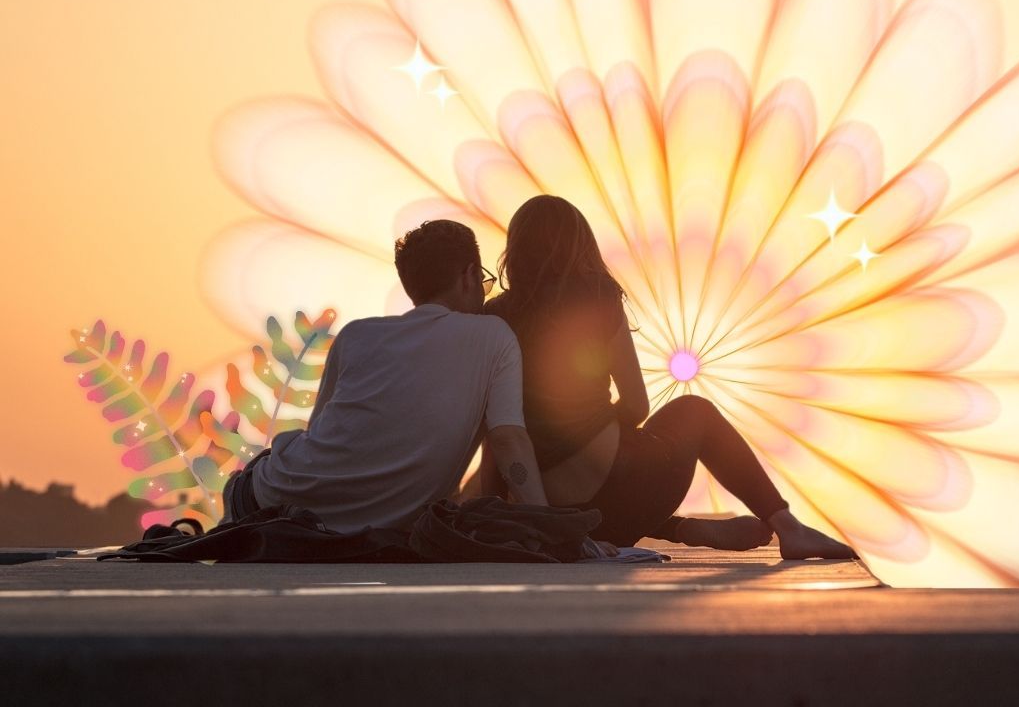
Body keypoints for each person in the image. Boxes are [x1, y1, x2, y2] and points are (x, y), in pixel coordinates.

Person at [481, 195, 855, 559]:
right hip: (623, 490)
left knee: (571, 484)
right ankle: (789, 528)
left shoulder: (495, 317)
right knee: (695, 410)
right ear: (580, 246)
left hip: (557, 514)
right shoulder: (597, 295)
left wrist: (499, 508)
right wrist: (602, 428)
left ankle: (678, 529)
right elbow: (637, 404)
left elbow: (495, 432)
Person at [221, 219, 550, 533]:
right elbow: (508, 440)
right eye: (483, 281)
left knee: (270, 466)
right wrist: (550, 528)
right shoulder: (494, 336)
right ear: (469, 276)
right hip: (368, 525)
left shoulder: (355, 336)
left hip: (275, 500)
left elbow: (322, 433)